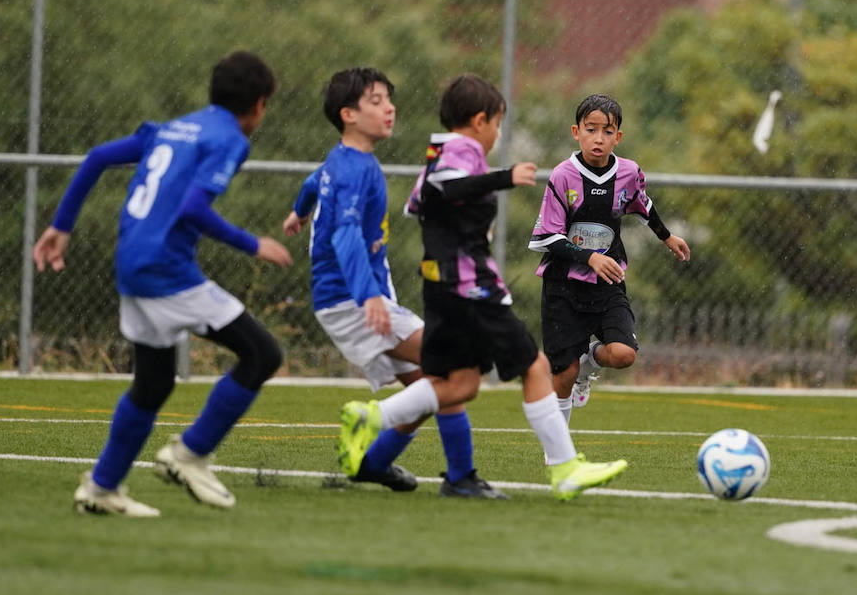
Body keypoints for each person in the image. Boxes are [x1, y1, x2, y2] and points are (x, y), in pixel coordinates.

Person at [336, 73, 628, 501]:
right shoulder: (463, 150)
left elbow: (418, 201)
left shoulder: (441, 149)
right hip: (468, 287)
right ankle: (565, 469)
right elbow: (441, 190)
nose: (497, 134)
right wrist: (501, 178)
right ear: (479, 121)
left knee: (460, 384)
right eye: (497, 124)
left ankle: (371, 417)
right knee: (534, 367)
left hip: (446, 284)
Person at [33, 51, 293, 516]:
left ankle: (100, 489)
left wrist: (62, 225)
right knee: (262, 355)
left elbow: (96, 158)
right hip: (165, 270)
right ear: (258, 105)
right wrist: (254, 243)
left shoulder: (172, 128)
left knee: (152, 385)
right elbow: (193, 209)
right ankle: (190, 454)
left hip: (132, 262)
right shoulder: (229, 139)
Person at [285, 67, 504, 499]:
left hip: (350, 297)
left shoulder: (343, 160)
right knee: (456, 369)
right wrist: (369, 297)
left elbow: (315, 182)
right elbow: (345, 234)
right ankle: (456, 475)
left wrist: (299, 210)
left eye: (389, 99)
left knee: (432, 386)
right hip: (353, 299)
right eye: (376, 101)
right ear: (348, 114)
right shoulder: (354, 170)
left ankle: (376, 464)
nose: (390, 108)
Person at [527, 94, 690, 423]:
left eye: (607, 131)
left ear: (618, 136)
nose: (598, 138)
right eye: (591, 130)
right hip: (563, 287)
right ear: (576, 132)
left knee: (623, 354)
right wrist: (589, 258)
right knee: (563, 372)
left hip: (607, 283)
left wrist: (667, 236)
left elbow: (643, 205)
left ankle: (588, 365)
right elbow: (547, 237)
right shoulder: (562, 176)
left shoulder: (628, 173)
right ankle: (559, 450)